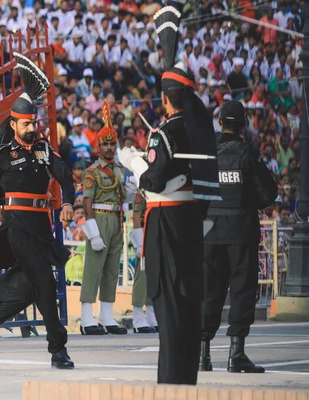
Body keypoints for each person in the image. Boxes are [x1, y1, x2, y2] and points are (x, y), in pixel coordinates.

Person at [117, 6, 221, 385]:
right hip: (193, 221)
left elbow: (156, 181)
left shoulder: (164, 133)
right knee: (188, 305)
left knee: (169, 306)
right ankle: (184, 379)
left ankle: (171, 385)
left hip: (167, 223)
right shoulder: (199, 130)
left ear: (165, 99)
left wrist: (134, 163)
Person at [0, 52, 76, 369]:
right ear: (13, 124)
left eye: (34, 123)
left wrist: (67, 202)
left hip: (42, 227)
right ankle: (58, 351)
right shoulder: (1, 154)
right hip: (16, 227)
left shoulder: (44, 149)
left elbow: (66, 178)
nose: (32, 128)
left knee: (23, 291)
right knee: (46, 283)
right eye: (26, 124)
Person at [200, 101, 276, 374]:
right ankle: (236, 354)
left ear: (220, 122)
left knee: (208, 290)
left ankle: (202, 355)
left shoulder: (206, 153)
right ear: (243, 124)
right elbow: (268, 193)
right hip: (241, 230)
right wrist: (247, 203)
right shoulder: (248, 153)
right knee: (242, 290)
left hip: (209, 230)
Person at [79, 102, 127, 335]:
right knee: (93, 269)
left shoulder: (119, 168)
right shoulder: (92, 171)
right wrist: (93, 230)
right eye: (105, 144)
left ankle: (107, 316)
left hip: (116, 219)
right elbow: (86, 201)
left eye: (112, 143)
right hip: (98, 218)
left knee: (111, 270)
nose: (109, 147)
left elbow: (123, 195)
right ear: (98, 146)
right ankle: (87, 318)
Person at [129, 194, 158, 334]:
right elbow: (135, 216)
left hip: (156, 232)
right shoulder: (142, 193)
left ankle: (152, 316)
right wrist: (140, 241)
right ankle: (138, 318)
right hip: (144, 234)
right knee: (142, 277)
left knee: (154, 277)